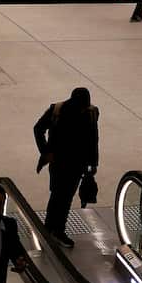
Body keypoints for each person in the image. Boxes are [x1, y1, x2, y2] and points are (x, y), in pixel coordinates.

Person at [33, 88, 99, 248]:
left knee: (64, 197)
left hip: (77, 165)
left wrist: (93, 165)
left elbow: (94, 139)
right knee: (59, 196)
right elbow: (38, 128)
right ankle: (53, 230)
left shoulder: (92, 112)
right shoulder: (57, 110)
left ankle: (54, 229)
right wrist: (46, 152)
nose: (85, 108)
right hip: (60, 164)